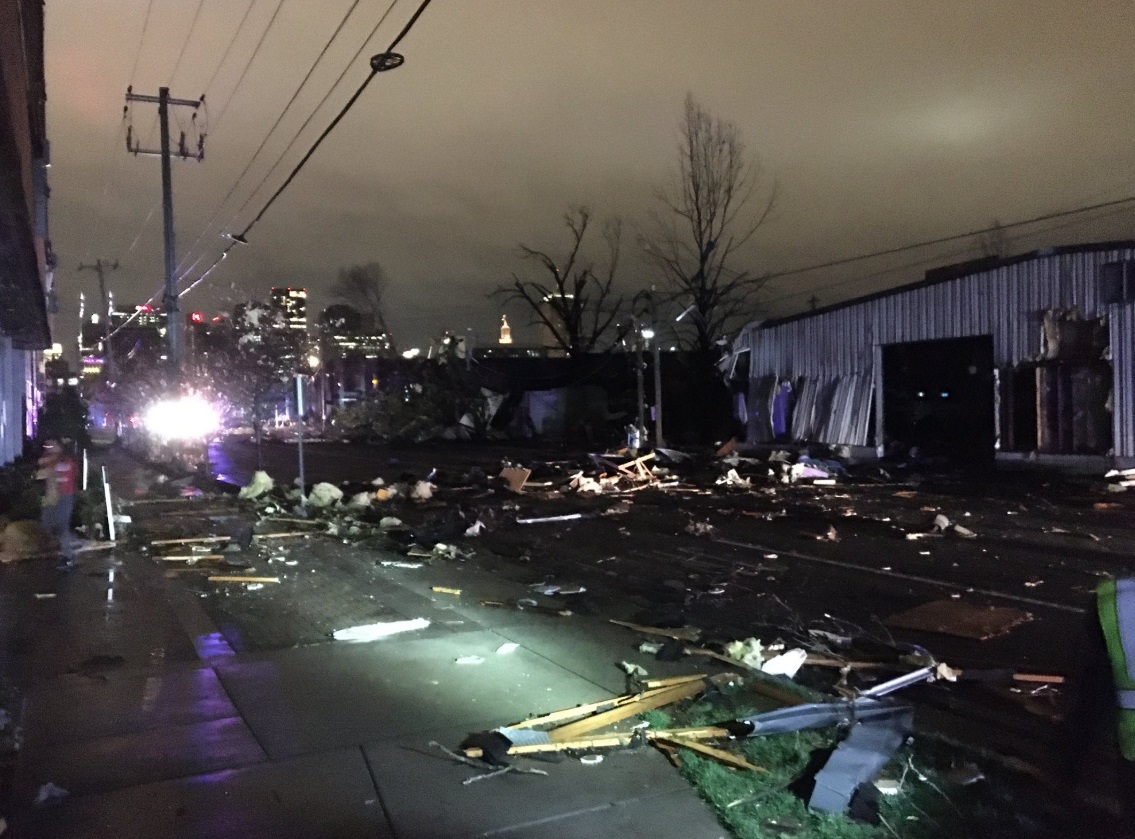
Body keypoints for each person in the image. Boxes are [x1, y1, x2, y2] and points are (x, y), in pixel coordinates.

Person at [37, 439, 77, 565]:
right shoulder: (51, 460)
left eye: (52, 445)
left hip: (64, 497)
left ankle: (68, 557)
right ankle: (67, 548)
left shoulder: (65, 461)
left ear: (60, 447)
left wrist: (49, 471)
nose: (48, 448)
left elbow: (47, 472)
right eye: (47, 445)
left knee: (61, 527)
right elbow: (40, 472)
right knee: (47, 522)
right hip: (53, 497)